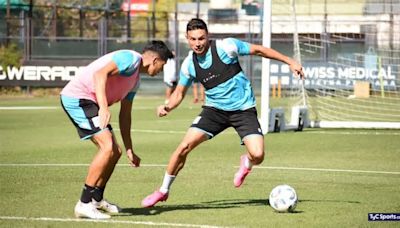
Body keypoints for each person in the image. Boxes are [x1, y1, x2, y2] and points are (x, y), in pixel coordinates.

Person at [141, 18, 304, 208]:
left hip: (243, 110)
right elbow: (179, 93)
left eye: (201, 38)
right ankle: (162, 191)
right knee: (183, 147)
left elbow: (259, 50)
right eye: (193, 39)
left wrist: (289, 61)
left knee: (258, 155)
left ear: (208, 36)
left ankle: (247, 163)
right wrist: (167, 106)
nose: (197, 43)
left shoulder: (226, 47)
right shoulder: (189, 64)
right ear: (187, 38)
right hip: (214, 111)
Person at [60, 40, 173, 219]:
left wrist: (129, 149)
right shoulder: (130, 59)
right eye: (162, 65)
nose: (161, 70)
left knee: (116, 151)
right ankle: (84, 203)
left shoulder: (135, 80)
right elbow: (99, 75)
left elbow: (125, 115)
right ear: (155, 60)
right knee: (107, 148)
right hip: (78, 98)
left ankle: (97, 199)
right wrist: (104, 108)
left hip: (91, 102)